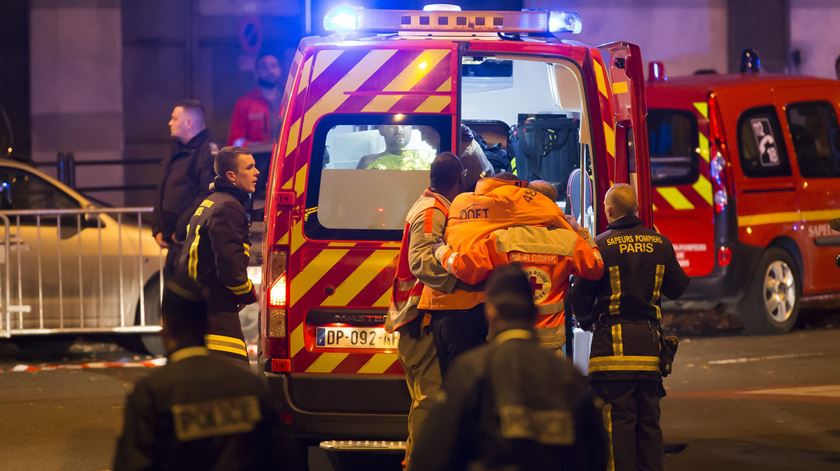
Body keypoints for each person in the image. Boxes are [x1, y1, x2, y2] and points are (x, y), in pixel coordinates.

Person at [411, 265, 608, 471]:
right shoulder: (569, 376)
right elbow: (595, 454)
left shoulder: (471, 370)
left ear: (491, 312)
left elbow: (431, 456)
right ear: (532, 314)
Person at [570, 183, 689, 471]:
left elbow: (579, 295)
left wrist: (588, 323)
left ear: (609, 211)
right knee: (649, 424)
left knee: (617, 427)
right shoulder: (660, 243)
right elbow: (678, 288)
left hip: (611, 349)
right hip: (649, 349)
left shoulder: (599, 245)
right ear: (635, 209)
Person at [113, 283, 293, 470]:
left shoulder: (152, 393)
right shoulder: (251, 386)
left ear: (165, 331)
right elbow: (284, 459)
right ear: (207, 325)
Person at [419, 173, 572, 376]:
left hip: (439, 307)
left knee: (454, 385)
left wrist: (440, 251)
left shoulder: (462, 202)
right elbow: (470, 269)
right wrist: (575, 230)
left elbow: (463, 263)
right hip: (474, 309)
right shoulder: (517, 208)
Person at [432, 180, 604, 354]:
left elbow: (464, 268)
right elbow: (596, 267)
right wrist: (581, 232)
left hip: (508, 346)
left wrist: (441, 251)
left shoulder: (501, 238)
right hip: (550, 348)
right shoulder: (569, 241)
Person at [385, 151, 466, 470]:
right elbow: (421, 260)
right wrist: (462, 281)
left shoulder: (432, 205)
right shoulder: (433, 211)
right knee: (430, 400)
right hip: (420, 318)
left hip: (418, 318)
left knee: (425, 400)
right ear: (459, 180)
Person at [176, 146, 260, 363]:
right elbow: (229, 263)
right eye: (249, 167)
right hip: (215, 306)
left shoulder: (213, 201)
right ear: (231, 176)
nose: (257, 172)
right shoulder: (228, 208)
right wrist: (247, 293)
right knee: (233, 373)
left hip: (199, 301)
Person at [153, 99, 216, 277]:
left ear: (188, 123)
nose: (169, 123)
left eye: (174, 119)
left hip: (192, 245)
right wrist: (158, 228)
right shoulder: (177, 149)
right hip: (175, 244)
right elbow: (162, 189)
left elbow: (206, 197)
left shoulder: (207, 154)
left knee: (185, 299)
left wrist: (180, 231)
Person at [228, 53, 284, 148]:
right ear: (257, 73)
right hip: (256, 159)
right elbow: (235, 141)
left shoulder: (289, 101)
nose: (270, 71)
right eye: (264, 67)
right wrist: (258, 147)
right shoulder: (245, 103)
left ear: (280, 70)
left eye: (273, 66)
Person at [357, 125, 431, 170]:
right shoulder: (368, 162)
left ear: (410, 128)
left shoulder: (427, 158)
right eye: (391, 125)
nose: (399, 130)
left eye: (404, 125)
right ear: (381, 130)